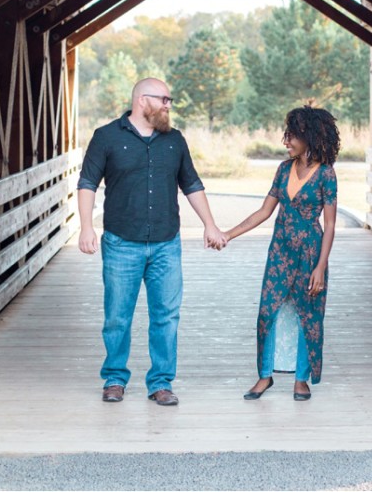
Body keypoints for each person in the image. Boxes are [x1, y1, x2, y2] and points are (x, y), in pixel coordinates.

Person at [77, 78, 227, 407]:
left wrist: (210, 225)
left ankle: (161, 382)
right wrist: (86, 227)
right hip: (120, 243)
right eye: (164, 100)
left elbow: (192, 184)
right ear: (143, 100)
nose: (169, 106)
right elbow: (87, 183)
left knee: (166, 316)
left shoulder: (174, 141)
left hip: (166, 244)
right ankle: (114, 379)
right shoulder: (106, 137)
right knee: (117, 316)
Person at [224, 106, 339, 401]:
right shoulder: (283, 169)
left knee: (307, 315)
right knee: (268, 312)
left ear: (309, 137)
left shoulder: (326, 174)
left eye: (291, 136)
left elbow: (329, 224)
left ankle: (302, 380)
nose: (285, 141)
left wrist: (320, 267)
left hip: (311, 251)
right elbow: (264, 211)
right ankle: (265, 376)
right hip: (280, 250)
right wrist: (228, 235)